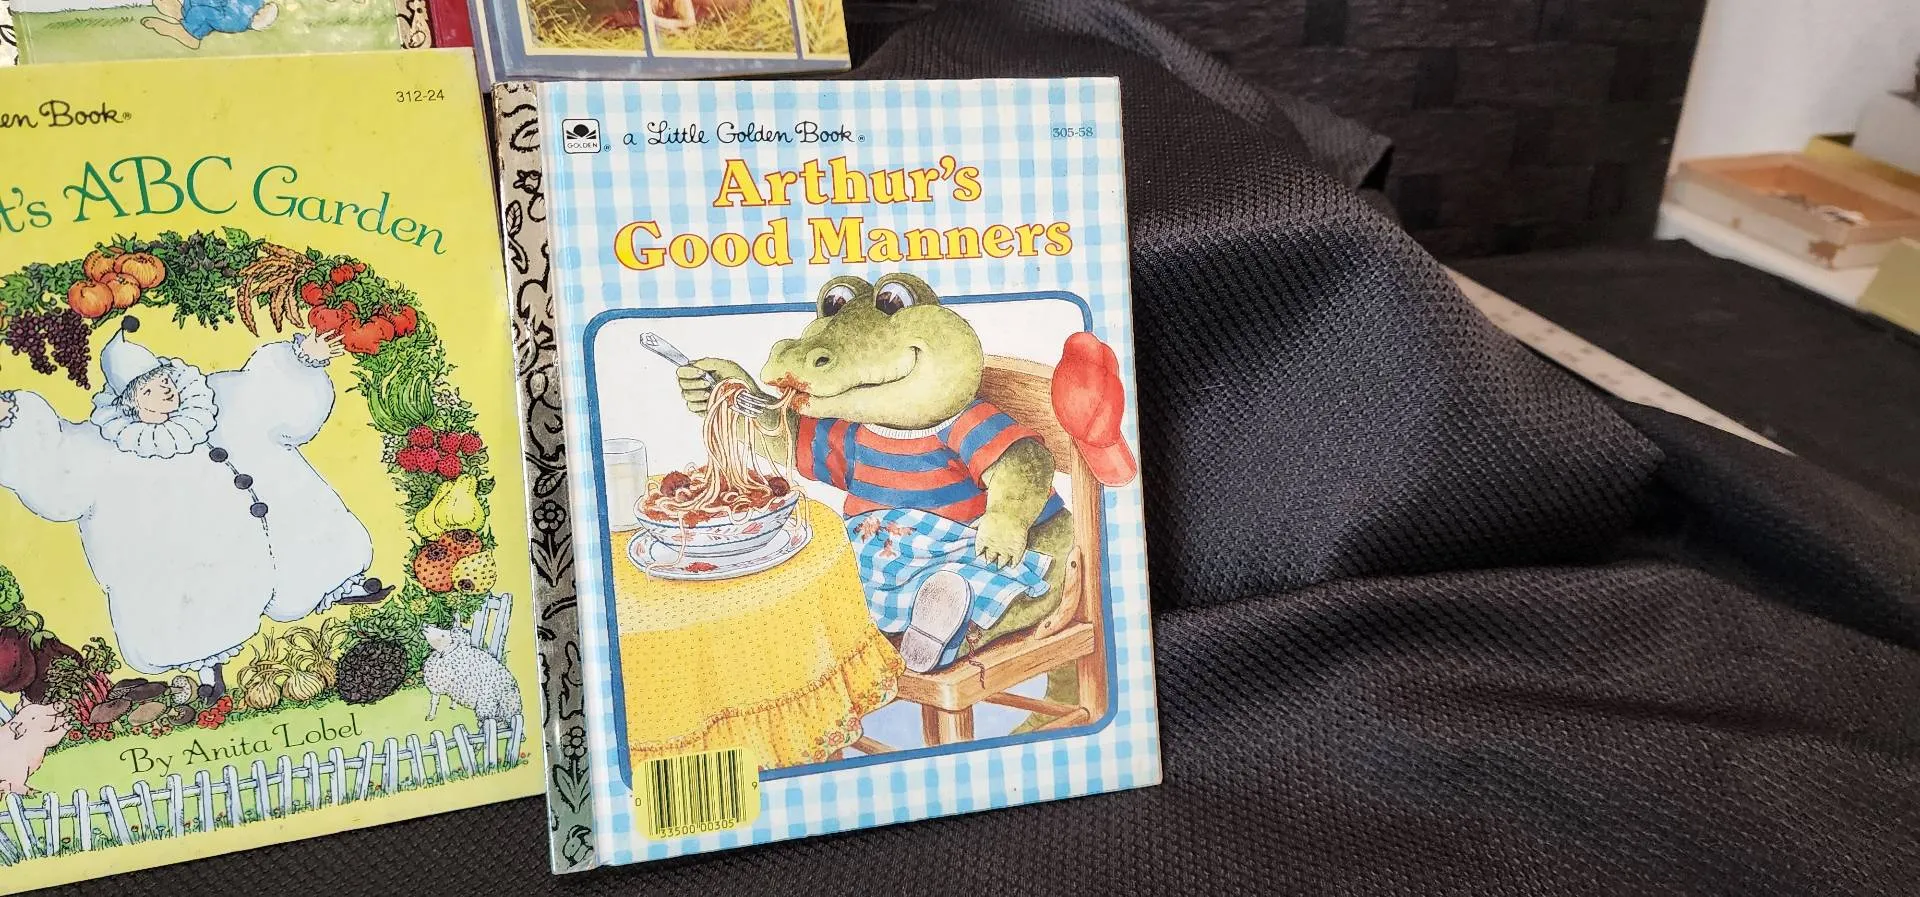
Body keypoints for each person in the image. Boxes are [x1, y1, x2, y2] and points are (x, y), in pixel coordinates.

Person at [0, 317, 384, 699]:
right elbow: (56, 468)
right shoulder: (104, 446)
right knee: (197, 603)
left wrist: (301, 361)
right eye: (150, 388)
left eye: (165, 380)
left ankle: (337, 585)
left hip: (278, 516)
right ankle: (207, 665)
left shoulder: (214, 399)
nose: (165, 390)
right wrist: (13, 423)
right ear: (131, 401)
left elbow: (266, 393)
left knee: (305, 530)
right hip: (199, 551)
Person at [140, 0, 278, 50]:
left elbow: (214, 14)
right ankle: (184, 14)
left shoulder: (237, 18)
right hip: (236, 7)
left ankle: (190, 32)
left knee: (204, 11)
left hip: (238, 13)